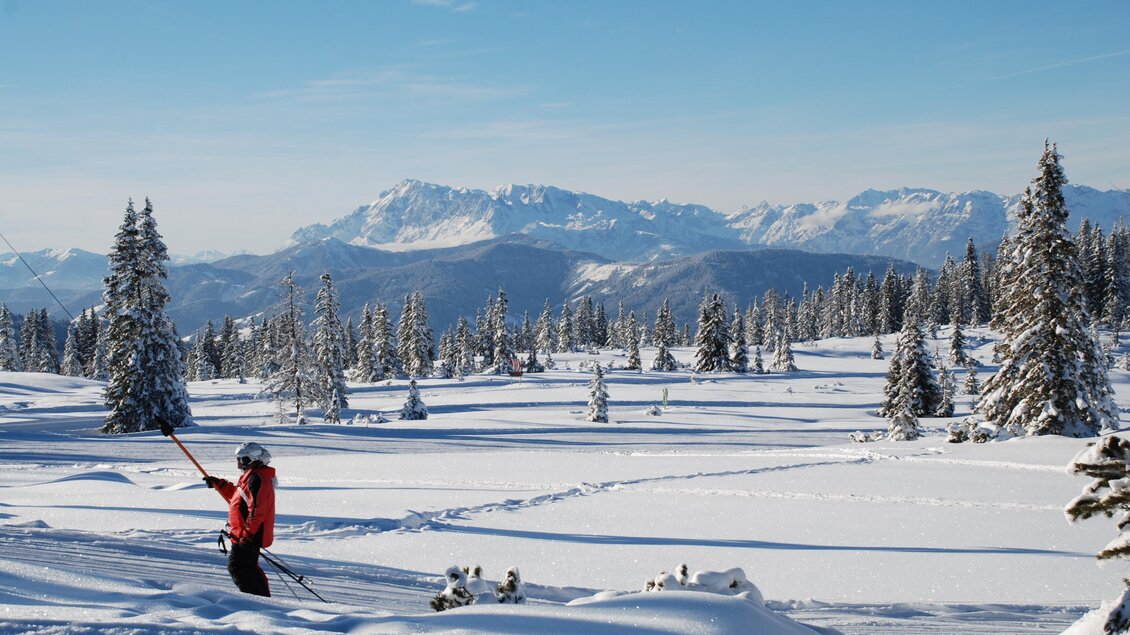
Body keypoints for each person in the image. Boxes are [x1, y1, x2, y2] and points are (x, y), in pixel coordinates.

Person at [204, 442, 277, 597]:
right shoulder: (250, 477)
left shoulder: (257, 478)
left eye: (243, 460)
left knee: (239, 568)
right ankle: (260, 599)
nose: (239, 465)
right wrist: (219, 485)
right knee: (244, 568)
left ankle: (259, 601)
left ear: (254, 459)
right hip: (243, 533)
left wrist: (248, 535)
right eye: (238, 460)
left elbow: (258, 510)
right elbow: (239, 498)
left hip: (249, 534)